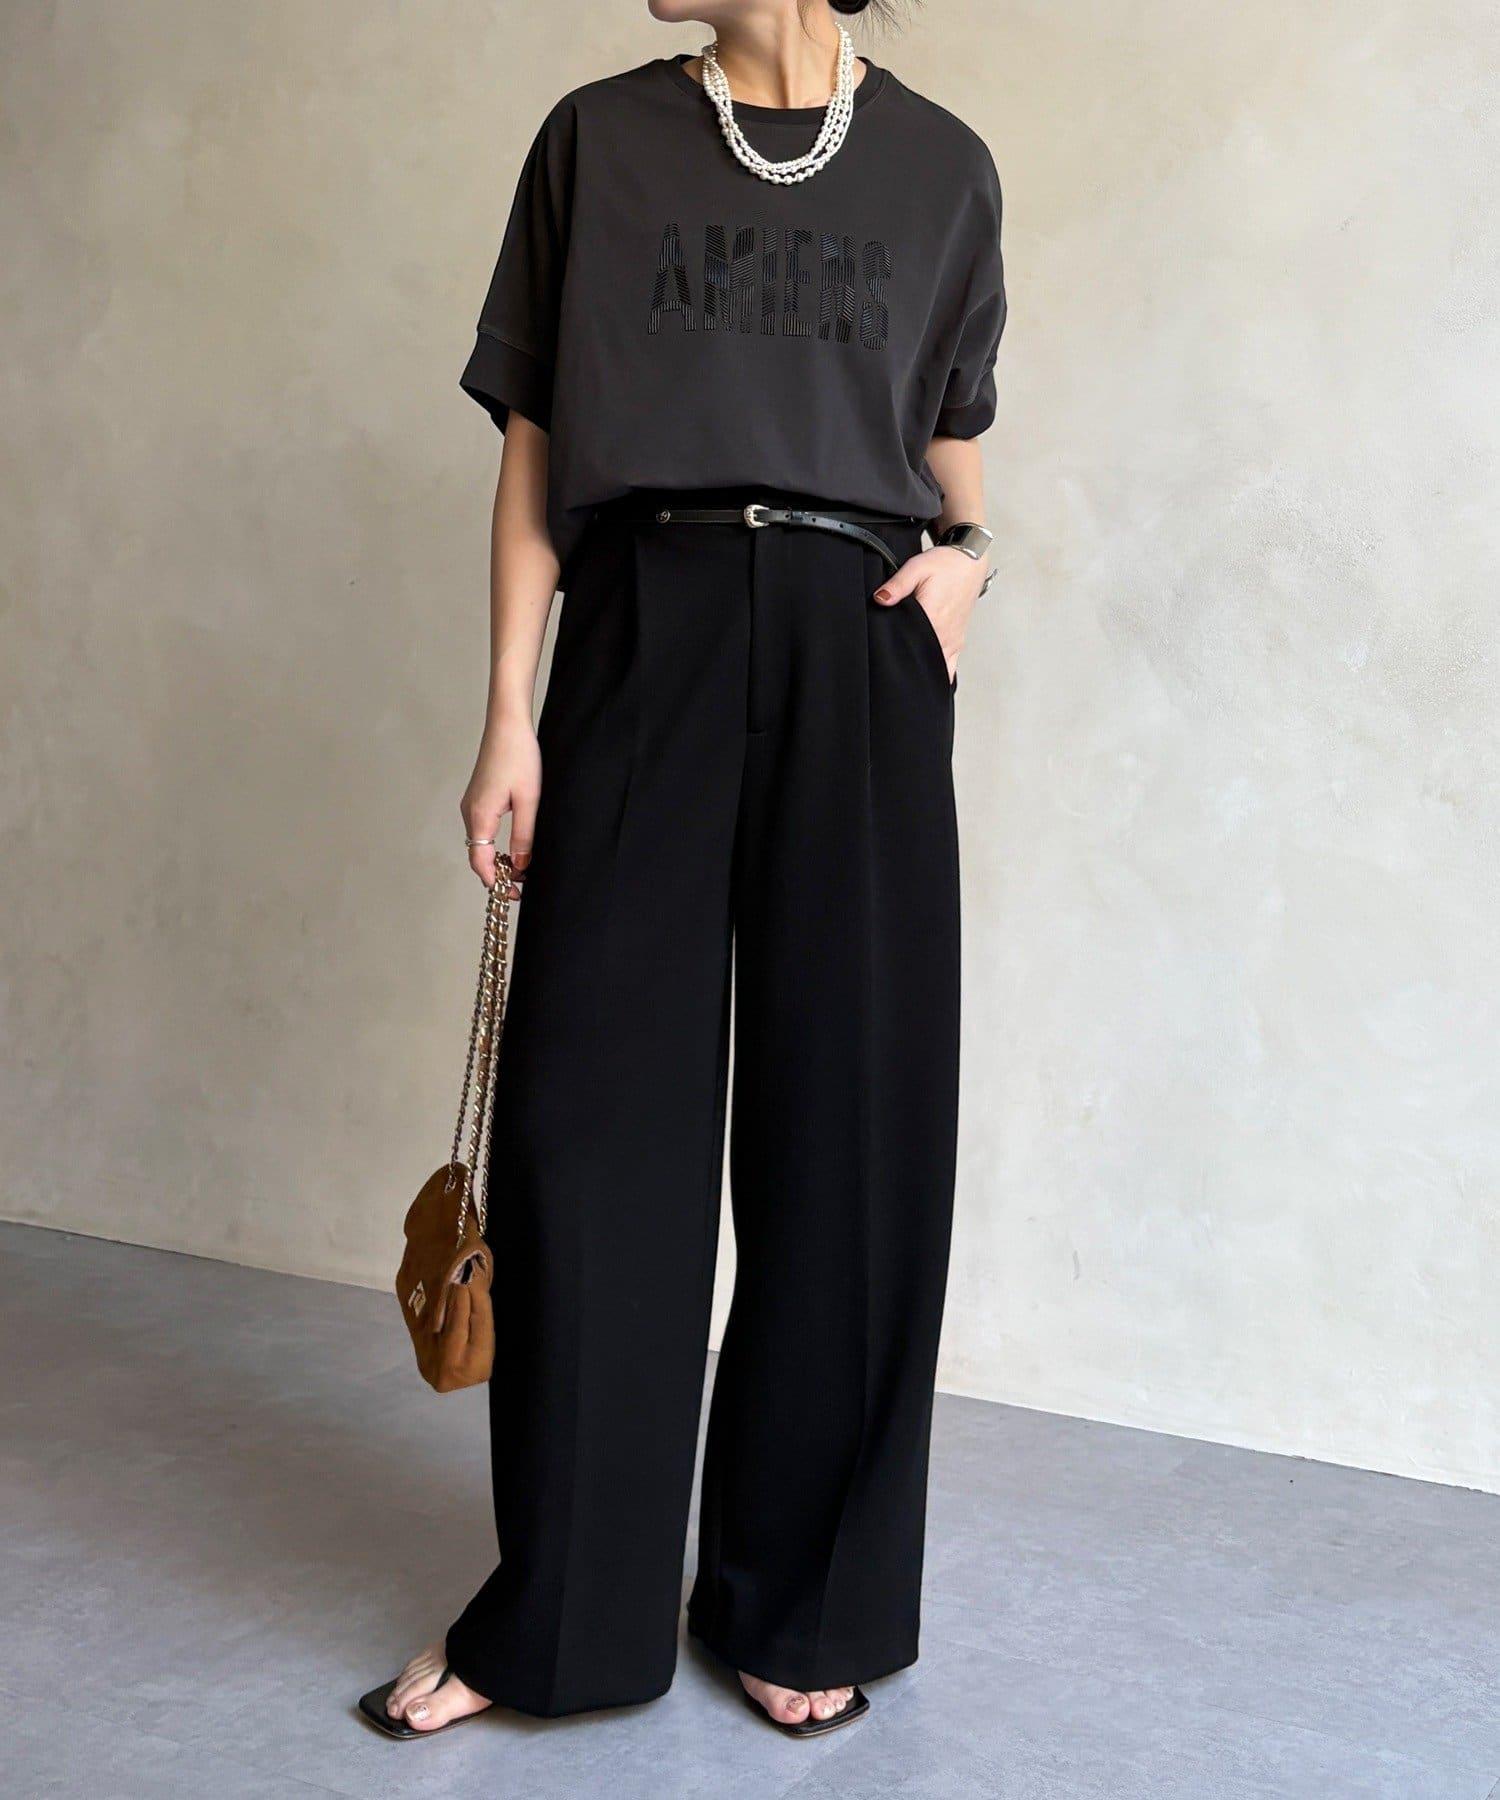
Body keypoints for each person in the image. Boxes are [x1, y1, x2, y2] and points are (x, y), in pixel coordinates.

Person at [360, 0, 1005, 1742]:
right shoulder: (598, 141)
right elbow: (537, 443)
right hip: (644, 628)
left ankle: (804, 1605)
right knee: (591, 1134)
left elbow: (952, 434)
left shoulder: (944, 167)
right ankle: (562, 1617)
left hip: (859, 643)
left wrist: (974, 559)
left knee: (854, 1138)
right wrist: (510, 711)